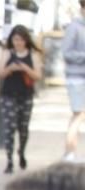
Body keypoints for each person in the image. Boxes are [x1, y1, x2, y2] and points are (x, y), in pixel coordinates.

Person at [0, 25, 41, 174]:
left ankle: (21, 152)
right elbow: (0, 73)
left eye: (21, 40)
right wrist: (10, 69)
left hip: (26, 96)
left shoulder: (33, 55)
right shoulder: (7, 53)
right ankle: (9, 160)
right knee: (9, 128)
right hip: (8, 95)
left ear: (26, 40)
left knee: (23, 129)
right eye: (16, 40)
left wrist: (24, 68)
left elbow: (37, 76)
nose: (18, 43)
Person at [63, 0, 85, 161]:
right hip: (76, 78)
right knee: (78, 114)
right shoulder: (74, 27)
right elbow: (66, 52)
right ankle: (69, 153)